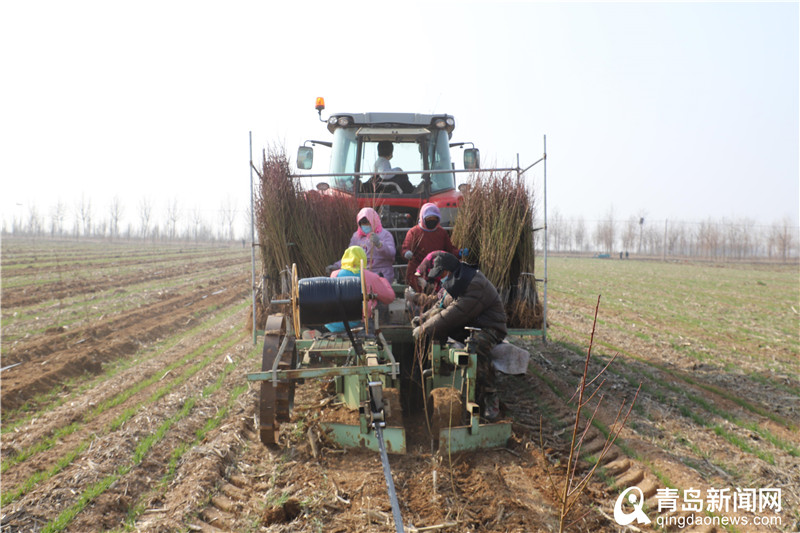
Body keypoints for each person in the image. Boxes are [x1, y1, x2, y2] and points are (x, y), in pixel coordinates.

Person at [412, 252, 507, 421]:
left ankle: (490, 397)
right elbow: (443, 305)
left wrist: (424, 328)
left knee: (476, 349)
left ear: (448, 271)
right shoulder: (458, 280)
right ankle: (442, 369)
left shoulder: (474, 284)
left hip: (489, 327)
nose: (440, 278)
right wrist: (423, 318)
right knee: (436, 323)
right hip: (470, 323)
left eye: (441, 274)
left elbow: (455, 313)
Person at [325, 246, 395, 332]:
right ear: (363, 259)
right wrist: (382, 280)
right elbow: (389, 297)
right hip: (357, 324)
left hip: (332, 324)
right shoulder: (369, 276)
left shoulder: (334, 274)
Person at [327, 207, 396, 283]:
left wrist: (380, 244)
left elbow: (391, 254)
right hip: (362, 275)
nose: (364, 225)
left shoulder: (385, 235)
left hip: (382, 274)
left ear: (373, 221)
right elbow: (350, 256)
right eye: (362, 223)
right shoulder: (356, 237)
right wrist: (336, 266)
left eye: (367, 222)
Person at [401, 203, 459, 291]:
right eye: (429, 219)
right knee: (419, 293)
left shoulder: (441, 232)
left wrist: (459, 253)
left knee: (436, 293)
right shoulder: (414, 232)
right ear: (422, 217)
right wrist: (406, 253)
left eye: (434, 219)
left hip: (437, 270)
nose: (432, 221)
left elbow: (449, 250)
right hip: (417, 270)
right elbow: (405, 247)